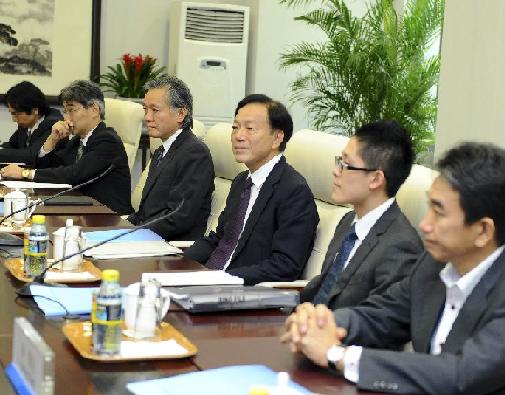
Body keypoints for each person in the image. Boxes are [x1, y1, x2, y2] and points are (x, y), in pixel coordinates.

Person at [281, 142, 505, 395]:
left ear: (483, 230)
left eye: (439, 211)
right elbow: (380, 316)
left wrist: (337, 354)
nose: (424, 224)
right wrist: (322, 324)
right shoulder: (434, 264)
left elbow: (459, 375)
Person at [185, 94, 319, 285]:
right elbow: (220, 239)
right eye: (235, 127)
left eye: (250, 129)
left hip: (241, 293)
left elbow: (284, 266)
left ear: (277, 138)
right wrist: (178, 265)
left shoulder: (294, 191)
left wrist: (223, 279)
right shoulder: (242, 181)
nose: (238, 136)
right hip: (208, 282)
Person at [299, 120, 422, 309]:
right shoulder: (349, 221)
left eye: (346, 165)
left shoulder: (402, 247)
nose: (335, 171)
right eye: (339, 161)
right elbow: (326, 289)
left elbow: (379, 322)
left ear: (376, 179)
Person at [0, 80, 133, 215]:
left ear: (94, 110)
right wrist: (51, 140)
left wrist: (25, 173)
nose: (66, 118)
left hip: (110, 218)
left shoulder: (107, 141)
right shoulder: (77, 141)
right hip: (83, 210)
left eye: (71, 110)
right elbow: (49, 168)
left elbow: (73, 174)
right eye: (65, 111)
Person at [127, 76, 214, 241]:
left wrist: (133, 234)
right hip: (149, 238)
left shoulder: (194, 153)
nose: (147, 117)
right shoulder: (161, 150)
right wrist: (119, 228)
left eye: (155, 109)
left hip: (172, 249)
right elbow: (147, 212)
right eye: (146, 109)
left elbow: (178, 217)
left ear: (180, 113)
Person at [0, 81, 62, 166]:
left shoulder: (54, 123)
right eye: (11, 113)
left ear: (35, 110)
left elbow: (32, 154)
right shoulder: (26, 123)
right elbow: (13, 144)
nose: (13, 119)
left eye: (15, 113)